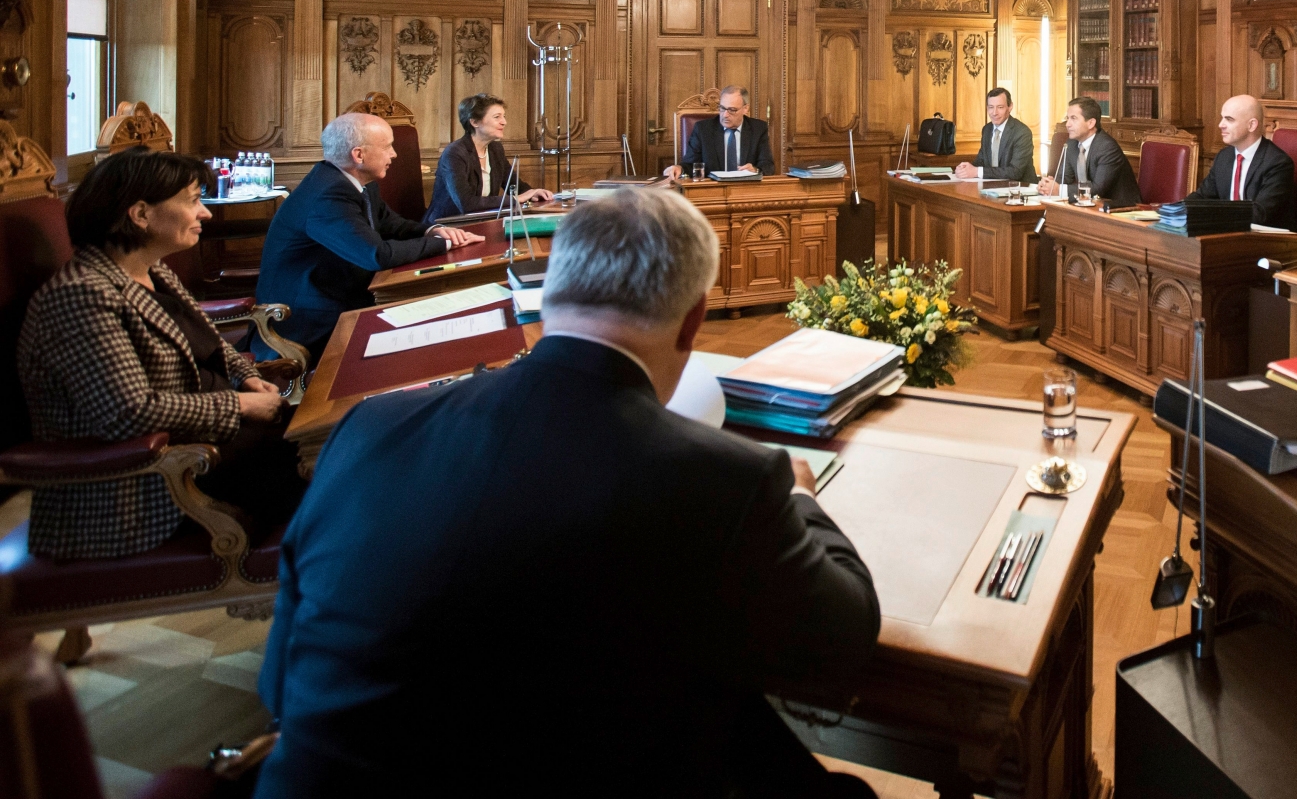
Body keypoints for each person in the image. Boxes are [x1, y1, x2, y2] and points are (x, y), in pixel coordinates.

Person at [255, 188, 880, 796]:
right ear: (694, 320)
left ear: (548, 291)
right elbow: (840, 643)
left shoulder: (370, 429)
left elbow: (279, 682)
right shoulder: (728, 479)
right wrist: (801, 497)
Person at [16, 152, 300, 559]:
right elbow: (127, 412)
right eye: (192, 200)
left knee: (350, 444)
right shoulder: (80, 295)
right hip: (153, 484)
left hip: (221, 444)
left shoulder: (151, 269)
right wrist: (240, 404)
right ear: (140, 214)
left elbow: (208, 342)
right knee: (344, 476)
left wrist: (245, 376)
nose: (205, 212)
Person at [254, 113, 480, 360]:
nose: (394, 154)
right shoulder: (328, 195)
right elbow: (377, 255)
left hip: (345, 293)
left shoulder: (356, 181)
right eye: (387, 147)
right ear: (359, 155)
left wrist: (432, 230)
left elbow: (389, 222)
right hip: (310, 317)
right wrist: (444, 243)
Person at [425, 93, 555, 225]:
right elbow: (466, 204)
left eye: (504, 116)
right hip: (448, 225)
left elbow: (515, 187)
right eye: (497, 117)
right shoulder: (454, 153)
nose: (504, 122)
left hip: (481, 221)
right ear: (474, 122)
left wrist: (535, 193)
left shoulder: (495, 149)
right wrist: (516, 199)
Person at [1185, 94, 1297, 229]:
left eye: (1229, 119)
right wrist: (1174, 212)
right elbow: (1202, 196)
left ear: (1251, 125)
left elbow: (1260, 214)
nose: (1220, 125)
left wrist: (1211, 214)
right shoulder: (1224, 157)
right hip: (1228, 233)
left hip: (1267, 241)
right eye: (1222, 118)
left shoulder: (1278, 163)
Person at [1038, 97, 1139, 207]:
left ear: (1091, 123)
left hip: (1121, 208)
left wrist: (1059, 190)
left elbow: (1098, 189)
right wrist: (1048, 185)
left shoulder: (1107, 147)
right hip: (1090, 205)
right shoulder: (1071, 144)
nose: (1067, 124)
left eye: (1073, 118)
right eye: (1067, 118)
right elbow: (1063, 178)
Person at [668, 85, 775, 180]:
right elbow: (690, 165)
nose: (725, 115)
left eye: (732, 110)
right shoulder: (703, 129)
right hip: (711, 190)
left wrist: (755, 170)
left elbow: (767, 165)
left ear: (745, 109)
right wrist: (679, 168)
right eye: (722, 108)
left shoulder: (758, 129)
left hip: (745, 189)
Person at [954, 87, 1036, 184]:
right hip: (992, 187)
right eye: (991, 107)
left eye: (1000, 107)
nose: (994, 113)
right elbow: (981, 161)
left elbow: (1015, 172)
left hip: (1020, 190)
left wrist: (976, 171)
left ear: (1010, 107)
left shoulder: (1022, 132)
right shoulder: (987, 129)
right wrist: (965, 169)